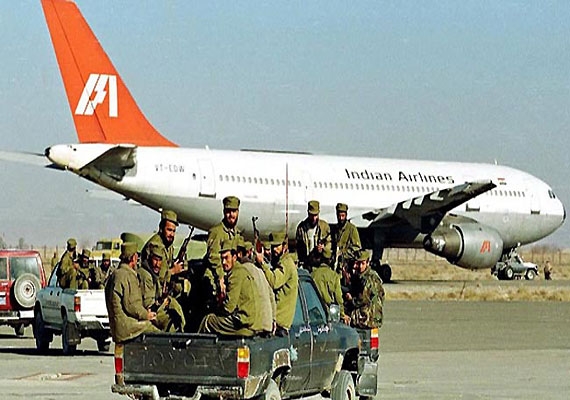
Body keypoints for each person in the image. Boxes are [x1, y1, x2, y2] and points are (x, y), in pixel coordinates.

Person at [199, 239, 261, 336]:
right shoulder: (241, 271)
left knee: (209, 320)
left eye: (226, 258)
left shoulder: (235, 274)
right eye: (222, 258)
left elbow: (229, 307)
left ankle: (196, 343)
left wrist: (216, 309)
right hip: (249, 322)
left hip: (242, 324)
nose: (224, 262)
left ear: (234, 257)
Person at [105, 242, 160, 344]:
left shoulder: (115, 274)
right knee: (161, 336)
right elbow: (132, 306)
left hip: (118, 327)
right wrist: (147, 315)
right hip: (128, 328)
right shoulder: (128, 276)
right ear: (133, 257)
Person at [256, 231, 298, 336]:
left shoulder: (286, 264)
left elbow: (274, 282)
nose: (274, 249)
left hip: (279, 325)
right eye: (273, 246)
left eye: (277, 246)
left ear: (284, 246)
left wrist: (262, 263)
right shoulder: (281, 262)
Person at [138, 244, 185, 332]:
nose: (158, 264)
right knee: (173, 322)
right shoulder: (146, 275)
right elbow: (149, 306)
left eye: (160, 260)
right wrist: (163, 302)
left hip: (153, 311)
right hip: (147, 316)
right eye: (155, 260)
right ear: (149, 259)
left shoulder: (153, 274)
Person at [205, 196, 243, 303]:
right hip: (216, 275)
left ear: (238, 212)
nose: (231, 215)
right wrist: (220, 277)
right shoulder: (216, 232)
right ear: (224, 212)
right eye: (228, 212)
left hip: (232, 276)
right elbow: (213, 257)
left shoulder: (237, 234)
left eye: (234, 211)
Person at [141, 209, 183, 288]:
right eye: (169, 230)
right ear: (161, 228)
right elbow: (157, 276)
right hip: (150, 286)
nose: (172, 234)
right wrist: (173, 271)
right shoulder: (156, 245)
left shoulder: (168, 244)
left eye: (174, 231)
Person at [345, 250, 385, 329]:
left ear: (367, 263)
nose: (360, 267)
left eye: (362, 263)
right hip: (374, 319)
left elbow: (362, 299)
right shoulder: (373, 276)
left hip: (365, 319)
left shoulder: (367, 279)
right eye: (358, 263)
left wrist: (351, 299)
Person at [311, 247, 348, 324]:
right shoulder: (334, 276)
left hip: (314, 313)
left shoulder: (312, 275)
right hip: (329, 314)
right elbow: (338, 298)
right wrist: (342, 314)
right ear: (330, 260)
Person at [295, 200, 331, 271]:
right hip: (306, 264)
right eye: (311, 215)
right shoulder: (301, 228)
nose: (314, 218)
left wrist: (323, 248)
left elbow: (329, 246)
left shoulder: (324, 227)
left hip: (320, 265)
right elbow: (297, 247)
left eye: (315, 215)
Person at [331, 203, 361, 271]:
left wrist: (343, 252)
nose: (341, 218)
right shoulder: (335, 229)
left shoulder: (352, 229)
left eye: (343, 216)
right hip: (336, 264)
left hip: (347, 265)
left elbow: (357, 248)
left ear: (346, 215)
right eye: (339, 216)